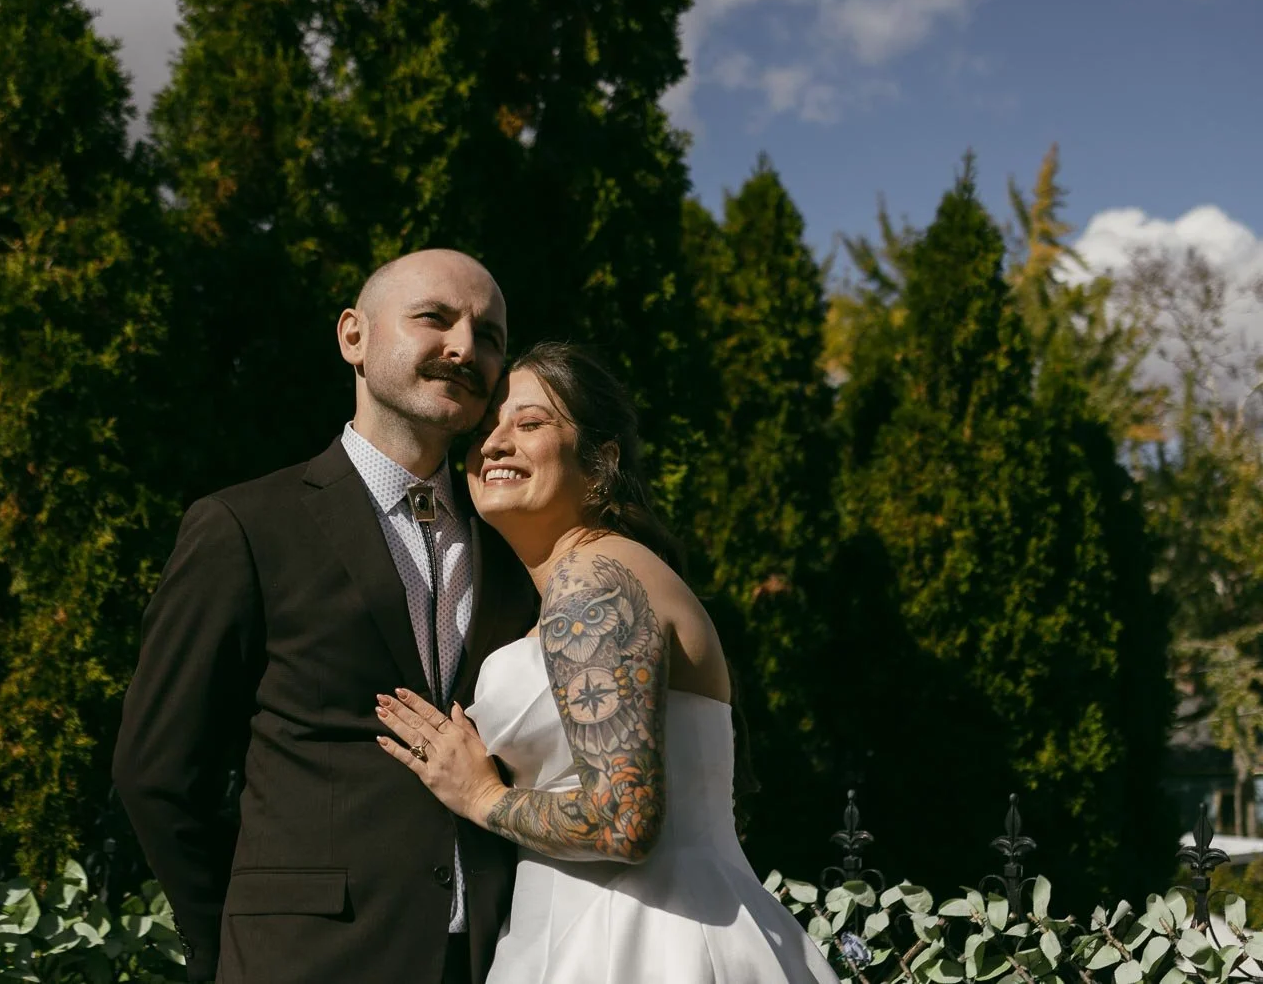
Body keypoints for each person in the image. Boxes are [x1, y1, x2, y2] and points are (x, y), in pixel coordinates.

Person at [113, 249, 541, 984]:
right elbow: (156, 772)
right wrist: (239, 943)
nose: (466, 347)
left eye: (490, 336)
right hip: (302, 962)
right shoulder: (244, 527)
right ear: (354, 337)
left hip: (496, 960)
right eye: (435, 318)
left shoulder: (516, 541)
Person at [375, 342, 842, 983]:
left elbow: (624, 820)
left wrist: (482, 796)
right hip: (587, 926)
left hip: (644, 942)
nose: (495, 444)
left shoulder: (593, 576)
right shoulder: (595, 574)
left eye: (531, 423)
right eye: (485, 429)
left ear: (600, 460)